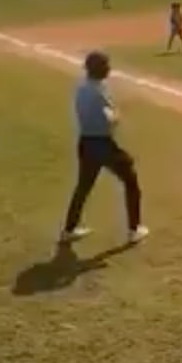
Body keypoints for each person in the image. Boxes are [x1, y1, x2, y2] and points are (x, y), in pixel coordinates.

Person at [60, 51, 148, 245]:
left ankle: (69, 229)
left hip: (85, 143)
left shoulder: (82, 87)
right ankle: (134, 229)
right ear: (100, 69)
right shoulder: (99, 92)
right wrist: (118, 114)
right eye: (106, 65)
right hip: (101, 144)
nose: (109, 68)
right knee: (131, 180)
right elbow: (110, 120)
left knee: (83, 187)